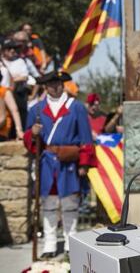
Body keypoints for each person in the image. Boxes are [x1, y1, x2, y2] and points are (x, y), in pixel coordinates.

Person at [23, 71, 96, 258]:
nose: (55, 87)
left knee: (70, 203)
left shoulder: (76, 107)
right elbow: (29, 142)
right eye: (51, 84)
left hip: (69, 162)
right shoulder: (36, 110)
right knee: (48, 204)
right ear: (45, 86)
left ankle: (72, 243)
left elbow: (86, 138)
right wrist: (33, 132)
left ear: (63, 85)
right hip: (47, 162)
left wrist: (84, 164)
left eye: (58, 83)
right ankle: (49, 244)